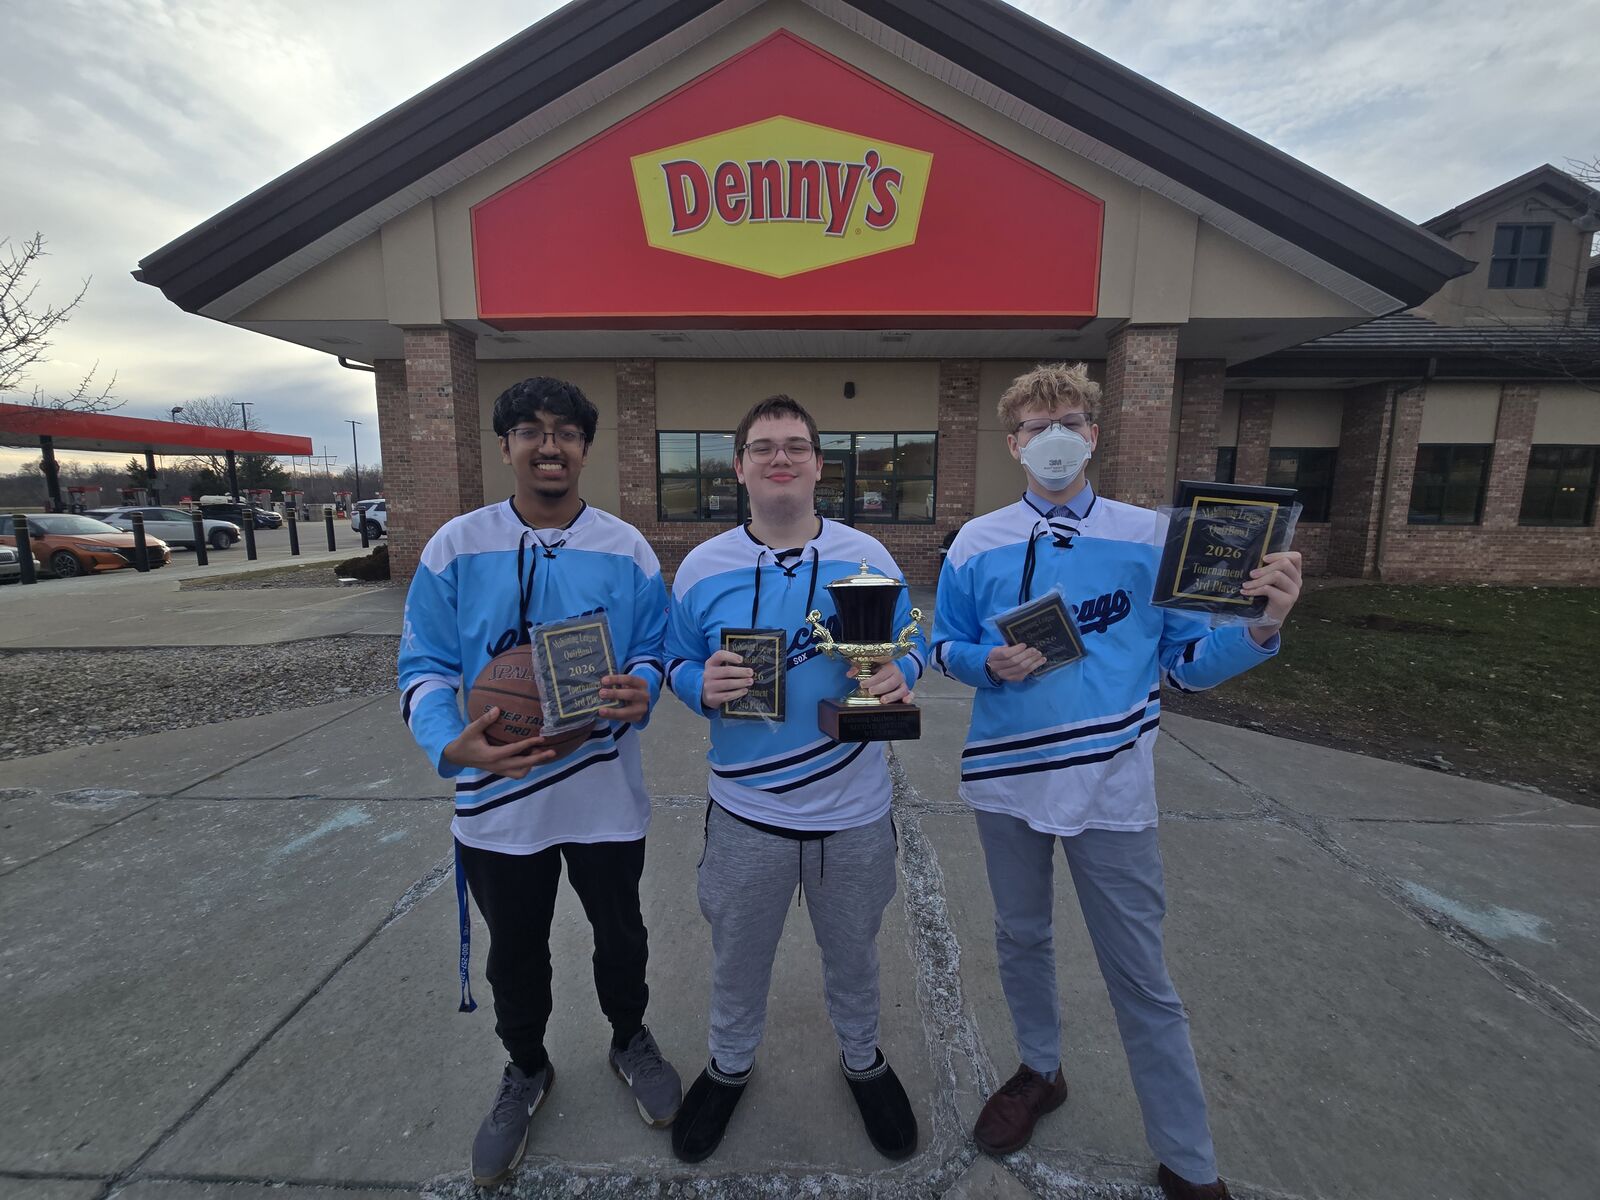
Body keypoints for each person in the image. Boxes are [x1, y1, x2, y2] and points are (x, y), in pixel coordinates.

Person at [930, 363, 1302, 1200]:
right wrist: (983, 662)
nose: (1053, 438)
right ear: (1013, 443)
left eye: (1068, 421)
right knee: (1021, 939)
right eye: (1036, 427)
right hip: (1008, 780)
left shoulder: (1154, 536)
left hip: (1113, 787)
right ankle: (1040, 1070)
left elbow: (1189, 665)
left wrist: (1261, 628)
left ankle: (1188, 1157)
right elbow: (940, 645)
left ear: (1094, 434)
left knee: (1140, 975)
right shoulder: (976, 541)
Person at [397, 377, 682, 1188]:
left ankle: (629, 1039)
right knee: (515, 953)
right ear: (506, 446)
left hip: (602, 793)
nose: (548, 445)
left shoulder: (626, 548)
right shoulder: (455, 546)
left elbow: (655, 649)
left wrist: (645, 686)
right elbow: (422, 664)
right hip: (497, 801)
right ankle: (526, 1066)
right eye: (530, 430)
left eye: (564, 432)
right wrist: (450, 742)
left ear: (585, 448)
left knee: (621, 936)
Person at [664, 395, 926, 1164]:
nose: (781, 457)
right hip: (747, 811)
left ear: (818, 465)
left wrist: (902, 675)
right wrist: (697, 683)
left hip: (854, 810)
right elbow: (674, 658)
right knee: (738, 957)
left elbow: (908, 645)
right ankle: (729, 1064)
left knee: (855, 953)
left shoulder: (869, 557)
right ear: (739, 466)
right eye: (764, 446)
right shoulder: (703, 566)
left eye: (796, 446)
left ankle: (863, 1059)